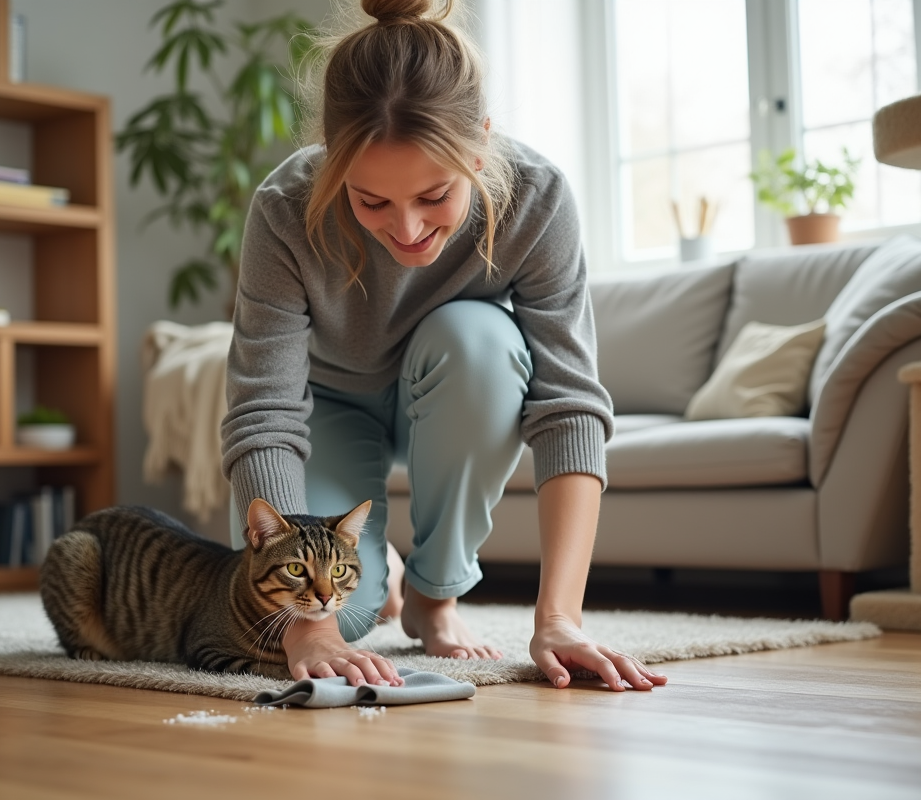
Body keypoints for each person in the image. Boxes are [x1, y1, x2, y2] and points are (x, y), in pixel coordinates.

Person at [220, 0, 668, 693]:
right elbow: (264, 414)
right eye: (370, 202)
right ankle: (385, 579)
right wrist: (311, 632)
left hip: (456, 384)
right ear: (334, 166)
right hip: (327, 407)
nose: (406, 229)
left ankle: (432, 594)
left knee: (480, 338)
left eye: (435, 195)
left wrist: (561, 619)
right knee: (339, 610)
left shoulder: (536, 198)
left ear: (481, 144)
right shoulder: (284, 209)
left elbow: (570, 408)